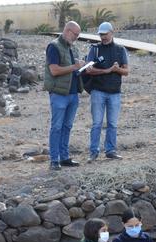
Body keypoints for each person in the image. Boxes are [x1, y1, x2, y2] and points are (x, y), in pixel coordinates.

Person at [85, 22, 129, 162]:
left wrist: (117, 70)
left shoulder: (120, 50)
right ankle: (94, 151)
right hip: (98, 91)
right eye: (101, 34)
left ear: (112, 33)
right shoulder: (94, 49)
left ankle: (110, 150)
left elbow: (126, 71)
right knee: (97, 123)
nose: (103, 37)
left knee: (113, 124)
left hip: (115, 92)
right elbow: (88, 70)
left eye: (105, 34)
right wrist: (107, 70)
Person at [45, 21, 84, 171]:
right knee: (57, 127)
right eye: (75, 35)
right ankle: (54, 160)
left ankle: (64, 157)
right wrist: (74, 66)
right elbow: (54, 70)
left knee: (67, 126)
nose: (76, 38)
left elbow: (72, 69)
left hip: (73, 93)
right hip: (59, 94)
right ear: (67, 31)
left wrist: (83, 67)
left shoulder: (72, 47)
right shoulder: (53, 46)